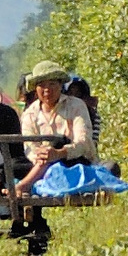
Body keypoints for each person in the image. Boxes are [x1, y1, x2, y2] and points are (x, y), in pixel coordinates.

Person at [17, 59, 96, 195]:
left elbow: (84, 141)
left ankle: (24, 185)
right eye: (42, 85)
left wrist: (59, 153)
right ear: (35, 89)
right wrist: (45, 156)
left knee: (58, 141)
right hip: (39, 164)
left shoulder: (76, 105)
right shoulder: (30, 113)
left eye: (52, 84)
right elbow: (29, 146)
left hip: (73, 160)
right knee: (12, 164)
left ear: (60, 85)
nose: (47, 89)